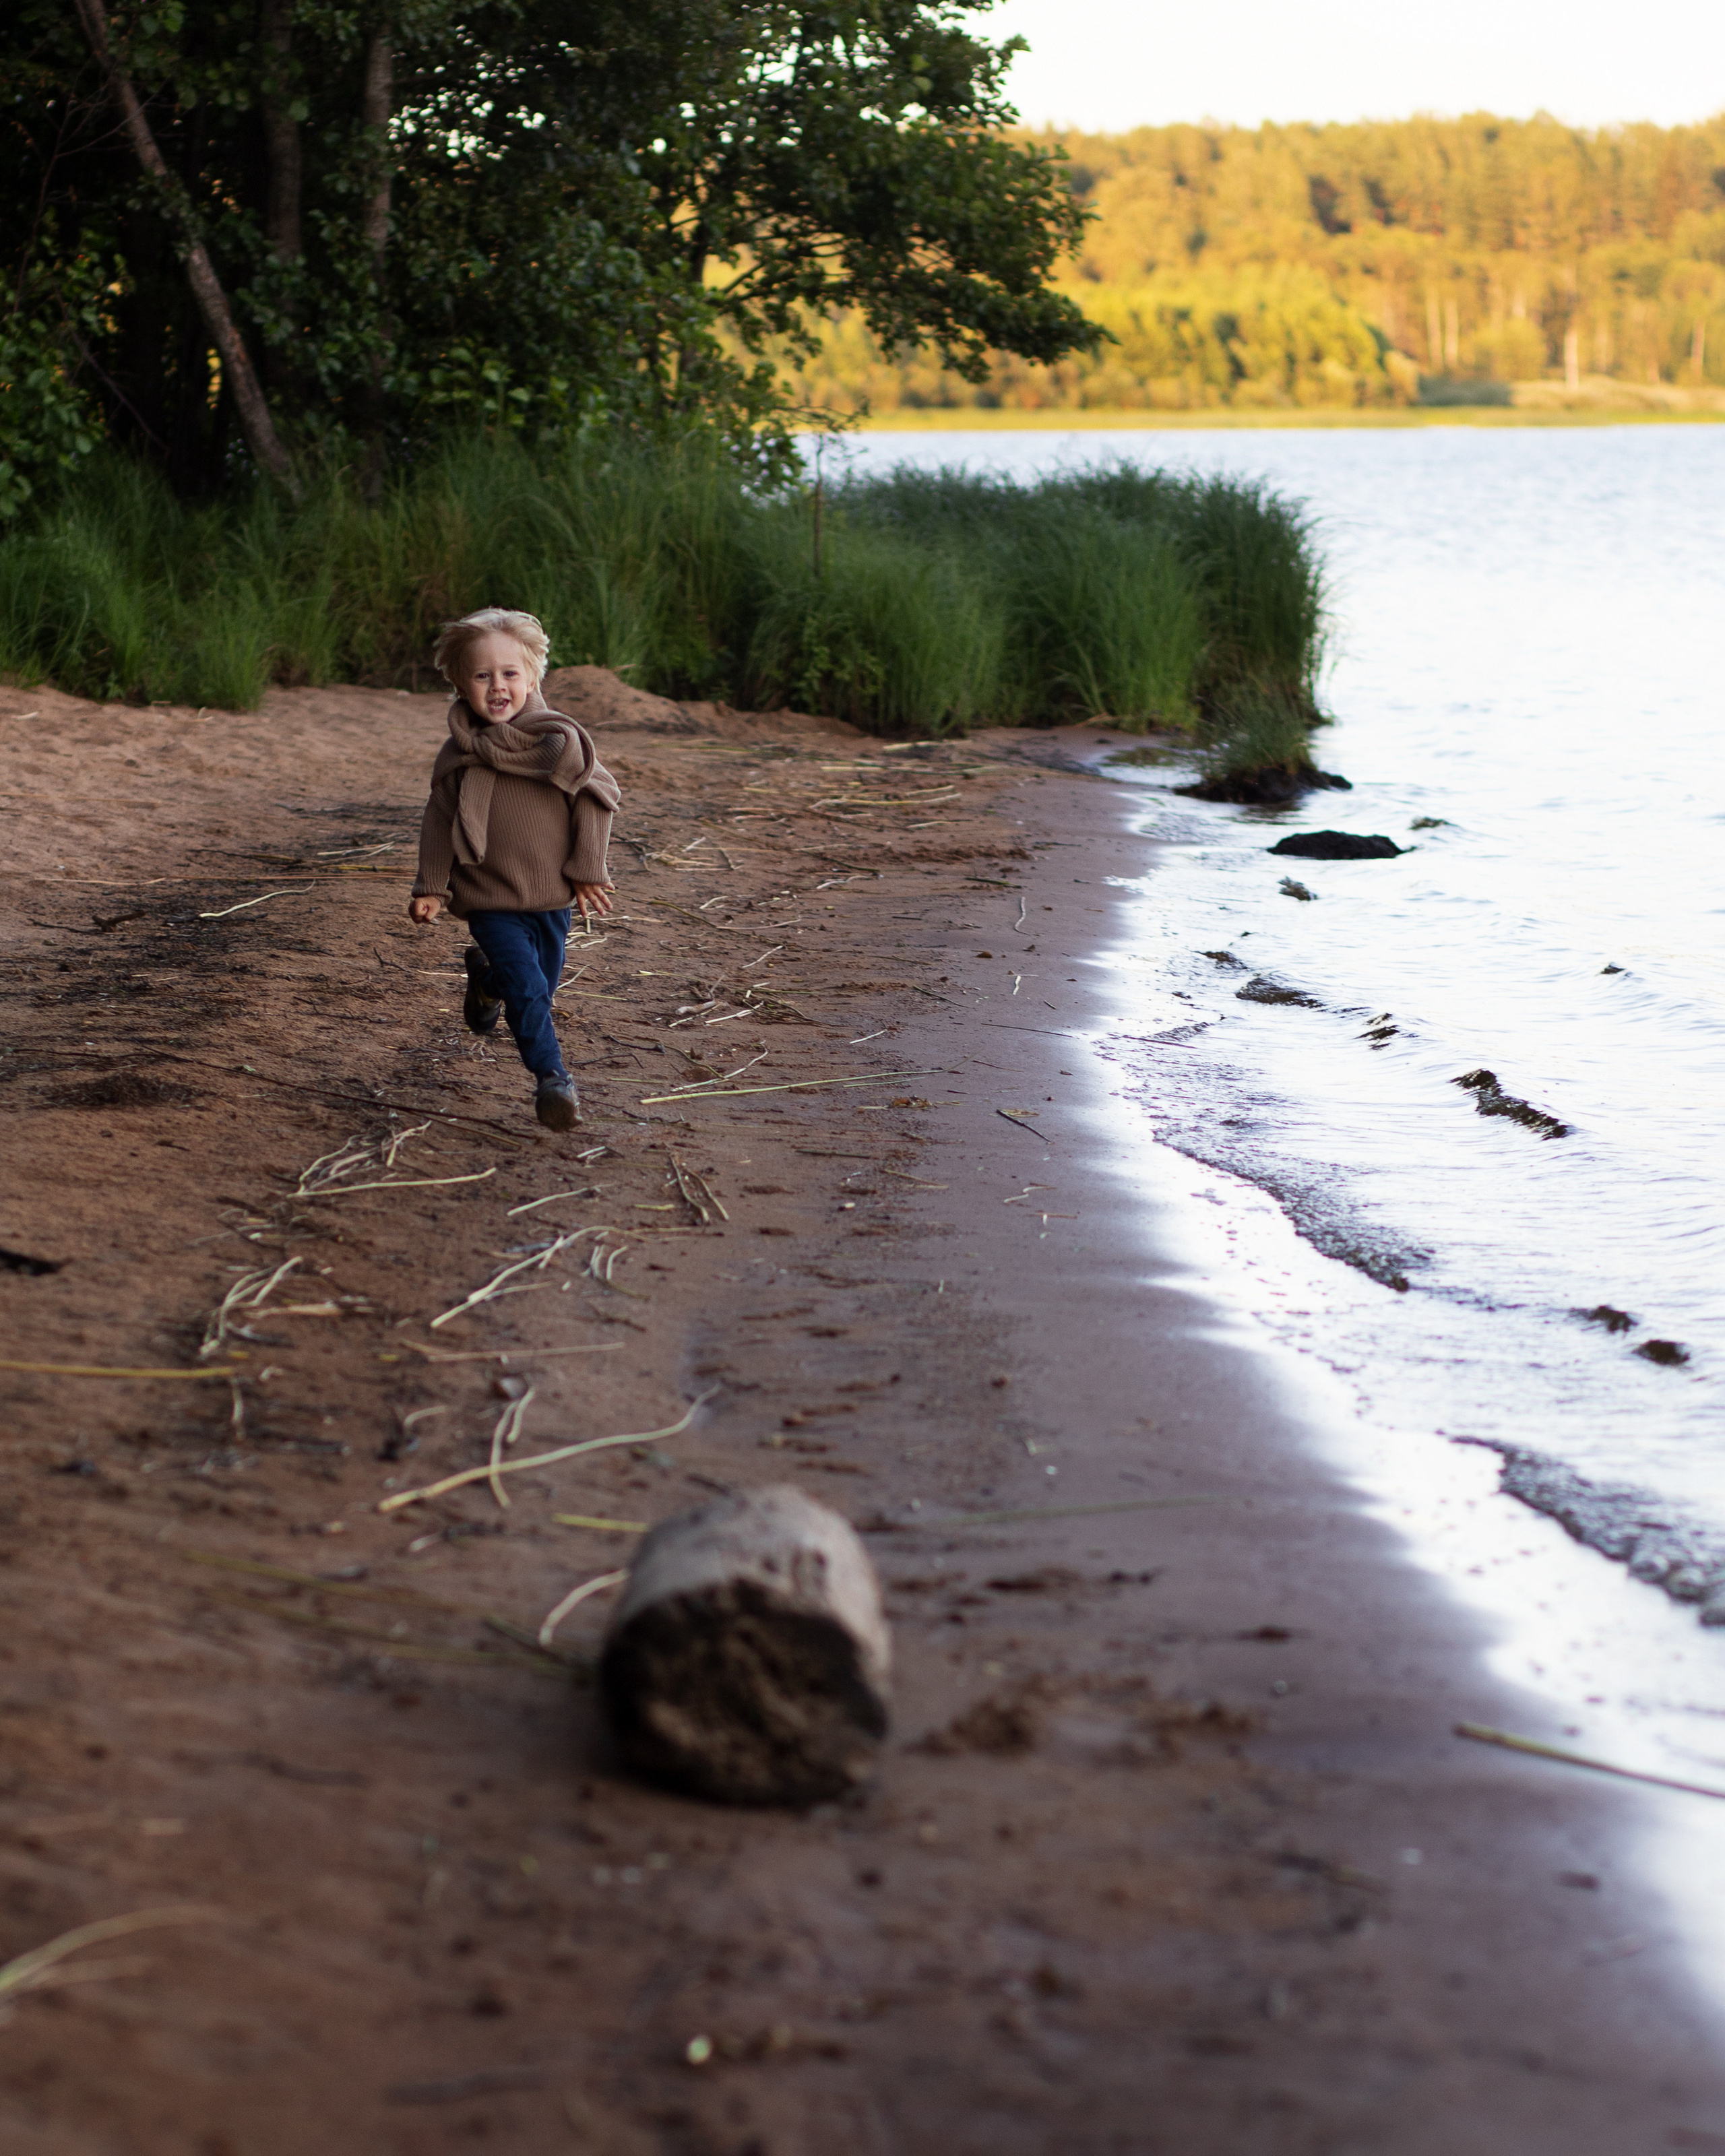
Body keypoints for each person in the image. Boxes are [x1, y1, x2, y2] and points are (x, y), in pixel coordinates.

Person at [407, 607, 619, 1131]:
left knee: (538, 988)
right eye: (482, 675)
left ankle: (485, 979)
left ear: (532, 677)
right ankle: (553, 1079)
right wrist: (432, 885)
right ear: (459, 682)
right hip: (488, 897)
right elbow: (439, 820)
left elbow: (598, 797)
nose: (497, 686)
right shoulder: (460, 755)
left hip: (550, 897)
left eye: (509, 674)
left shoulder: (557, 744)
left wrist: (588, 868)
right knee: (528, 992)